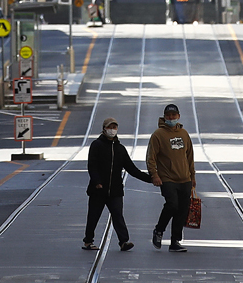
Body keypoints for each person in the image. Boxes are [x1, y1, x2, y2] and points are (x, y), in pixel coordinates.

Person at [83, 116, 152, 251]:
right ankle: (88, 241)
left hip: (115, 190)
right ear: (104, 129)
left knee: (118, 215)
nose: (112, 130)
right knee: (93, 216)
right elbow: (92, 165)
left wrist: (150, 179)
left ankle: (123, 241)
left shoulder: (120, 149)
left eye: (114, 127)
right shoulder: (96, 145)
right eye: (110, 127)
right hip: (98, 190)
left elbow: (131, 168)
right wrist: (97, 181)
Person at [146, 103, 196, 253]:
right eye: (168, 115)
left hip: (184, 178)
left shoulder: (184, 134)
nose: (171, 118)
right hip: (167, 178)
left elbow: (190, 157)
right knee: (172, 205)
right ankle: (159, 230)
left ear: (178, 116)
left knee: (182, 209)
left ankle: (175, 241)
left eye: (174, 115)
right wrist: (154, 175)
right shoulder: (158, 135)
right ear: (164, 117)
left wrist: (192, 176)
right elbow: (151, 157)